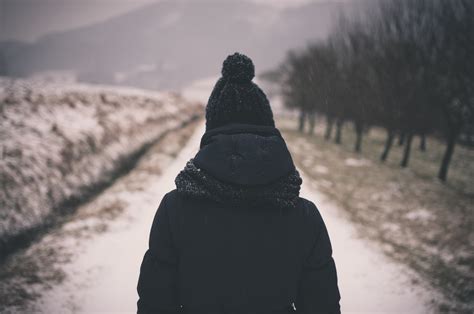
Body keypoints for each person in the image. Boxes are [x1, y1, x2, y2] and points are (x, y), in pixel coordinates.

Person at [137, 53, 340, 314]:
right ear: (268, 127)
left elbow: (155, 304)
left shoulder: (174, 209)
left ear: (211, 130)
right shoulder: (304, 215)